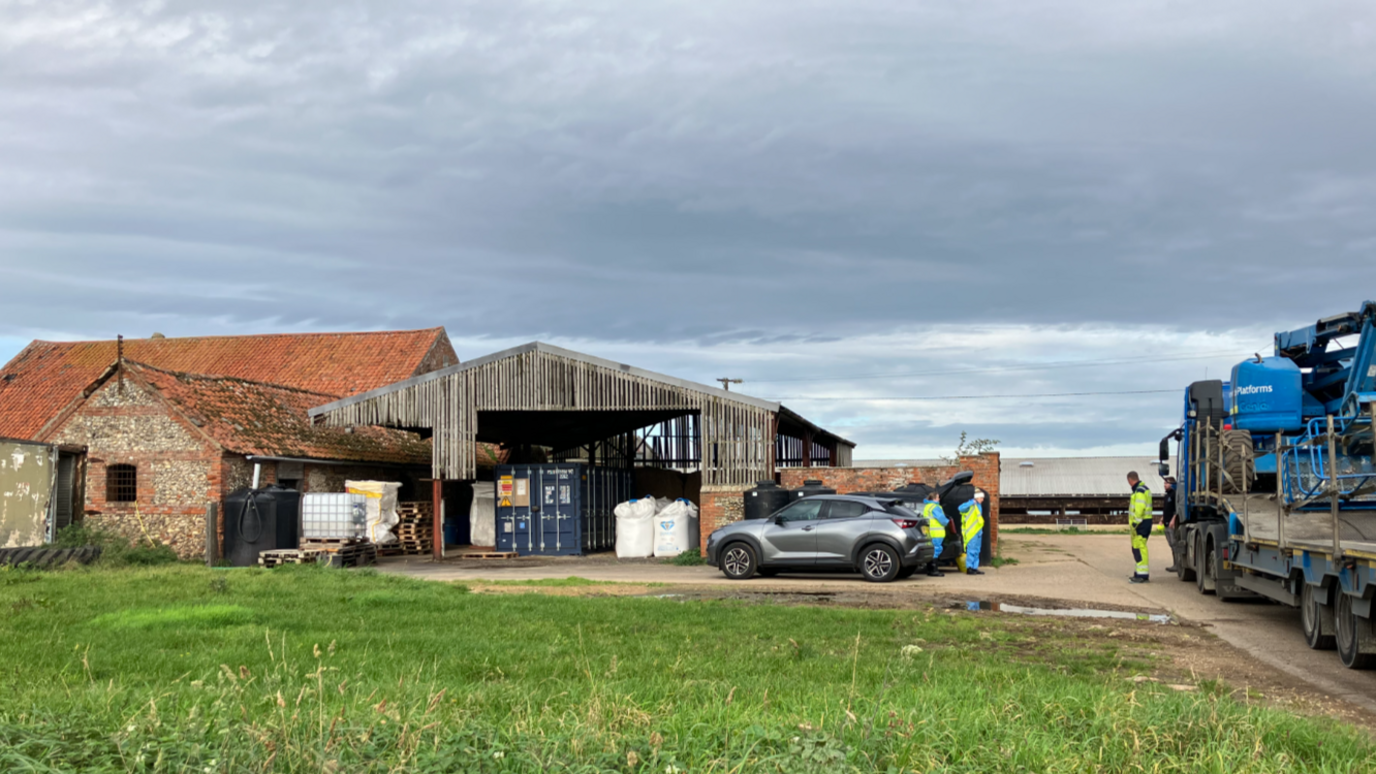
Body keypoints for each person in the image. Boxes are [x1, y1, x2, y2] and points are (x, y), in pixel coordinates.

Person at [1127, 471, 1152, 583]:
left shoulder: (1140, 491)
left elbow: (1139, 509)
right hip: (1144, 523)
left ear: (1130, 480)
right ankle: (1139, 573)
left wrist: (1134, 524)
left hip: (1140, 524)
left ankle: (1142, 575)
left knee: (1140, 548)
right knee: (1138, 548)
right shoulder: (1143, 489)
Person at [921, 491, 949, 577]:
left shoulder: (927, 507)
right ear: (934, 499)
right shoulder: (936, 507)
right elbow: (942, 519)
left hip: (929, 532)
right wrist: (947, 521)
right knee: (936, 550)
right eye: (938, 497)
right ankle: (934, 570)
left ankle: (930, 569)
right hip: (937, 532)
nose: (939, 499)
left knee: (932, 550)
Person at [959, 490, 986, 575]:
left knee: (977, 550)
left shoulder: (979, 505)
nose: (982, 499)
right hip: (971, 531)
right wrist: (971, 502)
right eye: (981, 498)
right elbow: (960, 508)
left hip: (978, 531)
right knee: (971, 550)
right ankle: (969, 568)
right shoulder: (970, 504)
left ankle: (975, 567)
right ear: (977, 497)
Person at [1162, 477, 1180, 573]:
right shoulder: (1166, 496)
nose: (1165, 485)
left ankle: (1177, 565)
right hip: (1166, 523)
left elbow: (1176, 510)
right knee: (1171, 544)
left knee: (1174, 544)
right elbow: (1166, 509)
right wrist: (1162, 519)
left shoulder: (1174, 495)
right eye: (1164, 483)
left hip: (1172, 524)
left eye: (1166, 483)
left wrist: (1173, 519)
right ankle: (1175, 564)